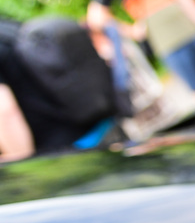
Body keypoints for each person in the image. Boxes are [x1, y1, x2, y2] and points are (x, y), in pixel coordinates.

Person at [0, 17, 119, 161]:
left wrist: (24, 168)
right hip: (99, 125)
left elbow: (6, 113)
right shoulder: (8, 27)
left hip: (63, 150)